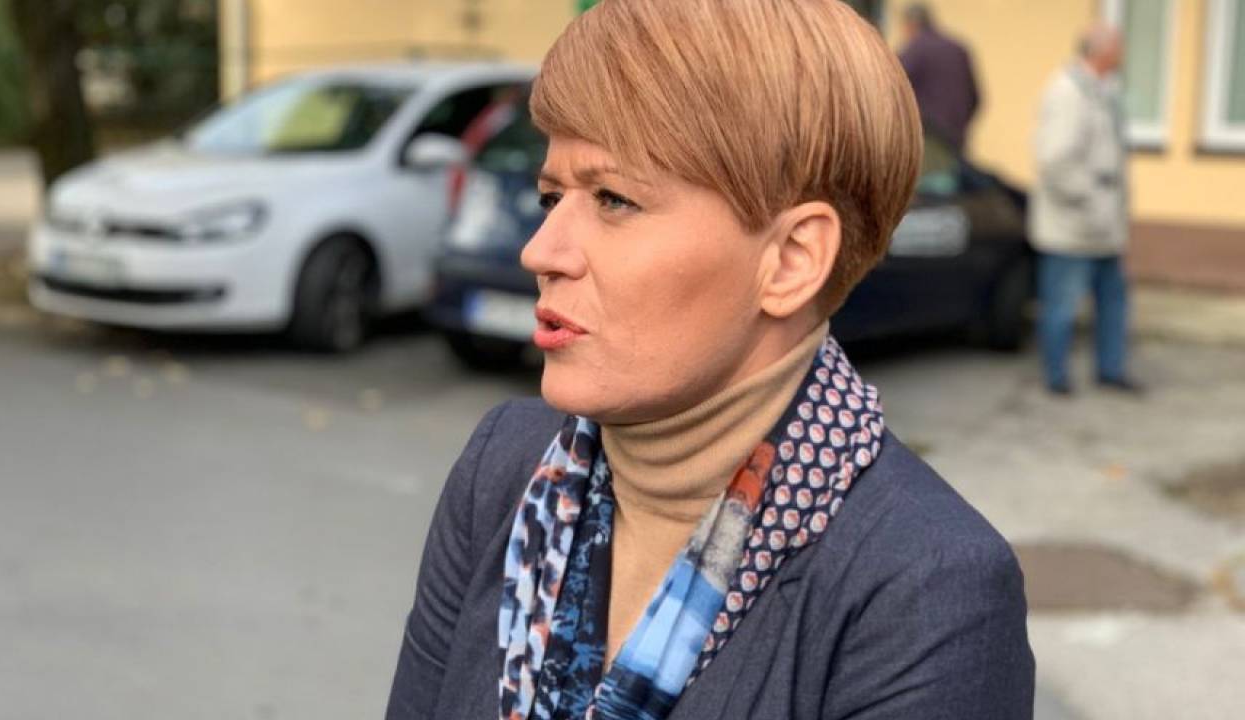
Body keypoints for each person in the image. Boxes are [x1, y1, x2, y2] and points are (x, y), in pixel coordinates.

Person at [388, 1, 1034, 718]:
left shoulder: (926, 591)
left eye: (614, 199)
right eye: (551, 196)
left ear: (791, 259)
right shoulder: (501, 470)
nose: (540, 251)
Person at [1030, 25, 1139, 396]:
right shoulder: (1067, 92)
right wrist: (1093, 204)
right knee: (1061, 306)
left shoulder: (1104, 90)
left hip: (1103, 227)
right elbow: (1055, 163)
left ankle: (1111, 370)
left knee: (1114, 301)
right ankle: (1056, 378)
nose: (1123, 53)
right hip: (1073, 227)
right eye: (1119, 46)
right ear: (1102, 51)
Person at [897, 3, 981, 153]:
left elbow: (894, 88)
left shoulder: (917, 48)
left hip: (928, 139)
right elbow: (976, 99)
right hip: (956, 141)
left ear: (910, 25)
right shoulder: (959, 50)